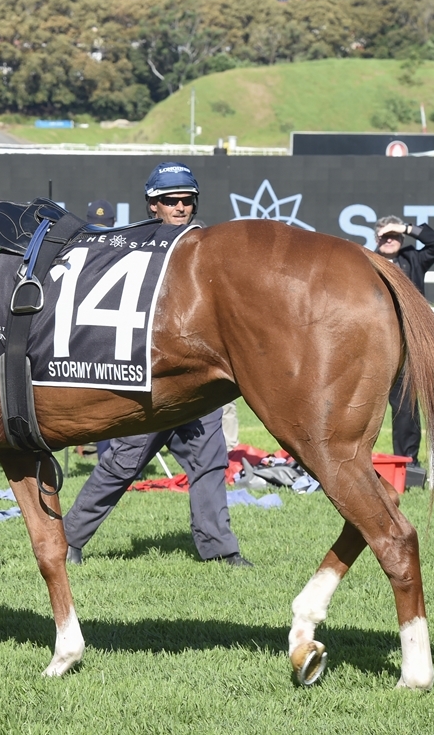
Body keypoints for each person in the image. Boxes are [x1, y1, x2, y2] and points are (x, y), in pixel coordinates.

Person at [64, 162, 252, 568]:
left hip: (199, 380)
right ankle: (68, 540)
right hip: (151, 378)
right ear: (153, 205)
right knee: (122, 464)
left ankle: (221, 551)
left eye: (187, 200)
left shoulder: (206, 247)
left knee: (211, 462)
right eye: (171, 201)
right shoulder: (133, 247)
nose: (180, 207)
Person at [374, 215, 434, 468]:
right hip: (371, 345)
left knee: (406, 407)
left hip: (406, 346)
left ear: (402, 238)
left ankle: (406, 462)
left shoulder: (413, 259)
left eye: (394, 235)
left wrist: (403, 227)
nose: (389, 239)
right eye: (384, 236)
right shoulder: (363, 262)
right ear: (376, 239)